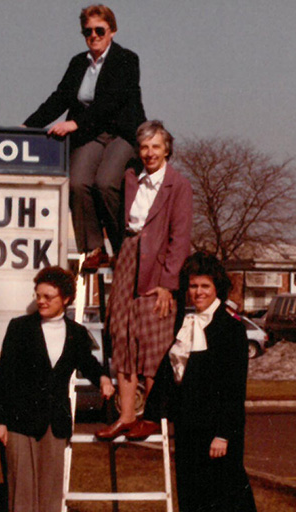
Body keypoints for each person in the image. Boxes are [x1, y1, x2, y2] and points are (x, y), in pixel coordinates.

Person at [0, 266, 114, 512]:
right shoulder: (19, 328)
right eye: (38, 296)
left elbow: (87, 362)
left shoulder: (75, 333)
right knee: (21, 496)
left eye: (48, 296)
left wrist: (102, 378)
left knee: (45, 500)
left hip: (55, 425)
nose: (41, 301)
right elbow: (3, 375)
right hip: (18, 423)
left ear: (67, 299)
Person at [23, 4, 146, 267]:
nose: (93, 35)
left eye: (99, 30)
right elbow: (60, 99)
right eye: (87, 31)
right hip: (91, 133)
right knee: (78, 183)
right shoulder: (79, 63)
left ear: (112, 31)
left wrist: (75, 124)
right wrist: (28, 128)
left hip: (120, 133)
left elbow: (110, 101)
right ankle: (93, 248)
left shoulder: (127, 60)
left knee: (105, 182)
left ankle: (122, 246)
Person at [167, 252, 257, 512]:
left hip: (219, 429)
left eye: (204, 286)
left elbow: (235, 388)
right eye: (192, 286)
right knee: (198, 501)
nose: (197, 292)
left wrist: (224, 433)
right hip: (190, 426)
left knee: (218, 501)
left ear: (217, 287)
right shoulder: (187, 323)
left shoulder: (230, 328)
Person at [97, 120, 192, 441]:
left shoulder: (178, 186)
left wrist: (168, 283)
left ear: (167, 149)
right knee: (121, 331)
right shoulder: (129, 179)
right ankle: (126, 414)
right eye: (145, 147)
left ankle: (152, 415)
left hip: (158, 265)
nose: (150, 153)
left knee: (153, 338)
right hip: (128, 255)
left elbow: (180, 239)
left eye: (156, 146)